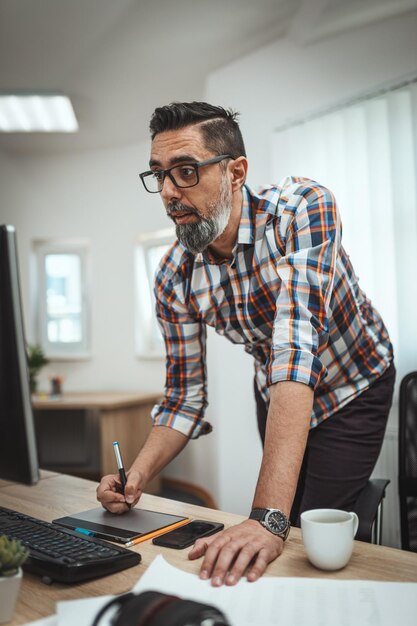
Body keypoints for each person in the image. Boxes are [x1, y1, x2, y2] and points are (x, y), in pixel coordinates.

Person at [97, 101, 395, 586]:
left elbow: (296, 352)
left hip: (352, 384)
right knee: (278, 529)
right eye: (160, 175)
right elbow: (184, 398)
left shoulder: (302, 209)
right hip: (275, 391)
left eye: (187, 171)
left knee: (304, 532)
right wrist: (137, 476)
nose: (170, 192)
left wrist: (267, 518)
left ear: (236, 172)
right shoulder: (174, 276)